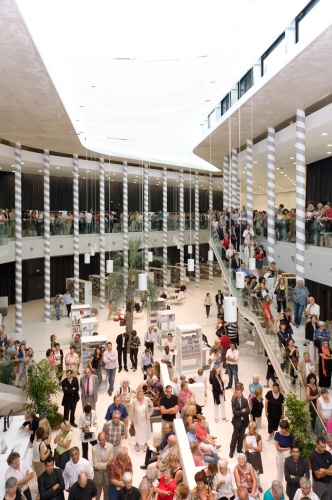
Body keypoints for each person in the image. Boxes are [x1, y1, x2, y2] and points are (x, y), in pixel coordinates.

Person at [92, 431, 113, 500]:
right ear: (98, 440)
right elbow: (95, 464)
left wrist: (100, 466)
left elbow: (110, 462)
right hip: (98, 477)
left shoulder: (110, 447)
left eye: (103, 440)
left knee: (107, 496)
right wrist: (106, 465)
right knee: (97, 496)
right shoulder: (94, 448)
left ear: (106, 439)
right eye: (100, 440)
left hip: (107, 476)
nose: (102, 441)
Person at [229, 388, 250, 458]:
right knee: (234, 437)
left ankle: (239, 449)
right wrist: (242, 411)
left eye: (240, 393)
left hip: (244, 422)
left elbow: (248, 411)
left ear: (241, 393)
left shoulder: (245, 400)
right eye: (237, 393)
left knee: (241, 436)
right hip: (236, 422)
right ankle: (232, 450)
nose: (238, 394)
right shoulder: (233, 401)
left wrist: (240, 412)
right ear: (235, 393)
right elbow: (235, 412)